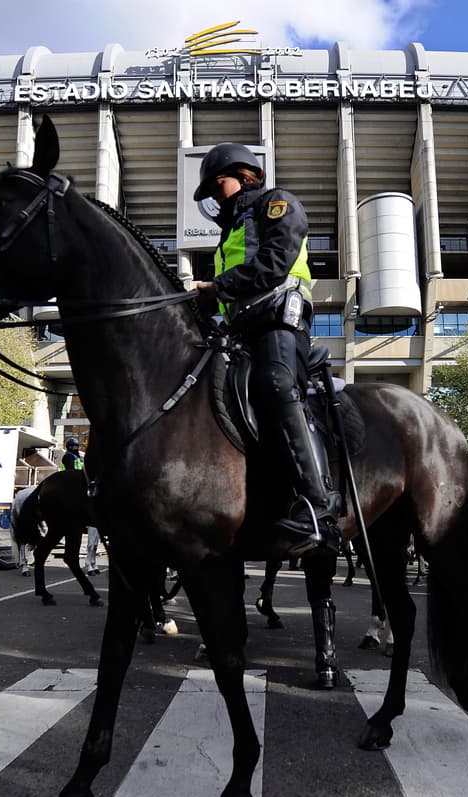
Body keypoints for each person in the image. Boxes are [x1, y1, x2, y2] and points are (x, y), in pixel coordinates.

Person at [191, 142, 341, 556]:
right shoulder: (229, 232)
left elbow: (276, 262)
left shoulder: (277, 203)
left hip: (279, 322)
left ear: (243, 175)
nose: (212, 198)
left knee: (275, 384)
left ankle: (319, 506)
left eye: (215, 186)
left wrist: (216, 288)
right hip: (239, 332)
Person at [61, 437, 103, 575]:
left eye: (77, 446)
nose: (76, 448)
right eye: (73, 446)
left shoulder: (78, 457)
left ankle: (91, 562)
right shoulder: (68, 457)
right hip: (70, 482)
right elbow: (71, 471)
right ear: (69, 447)